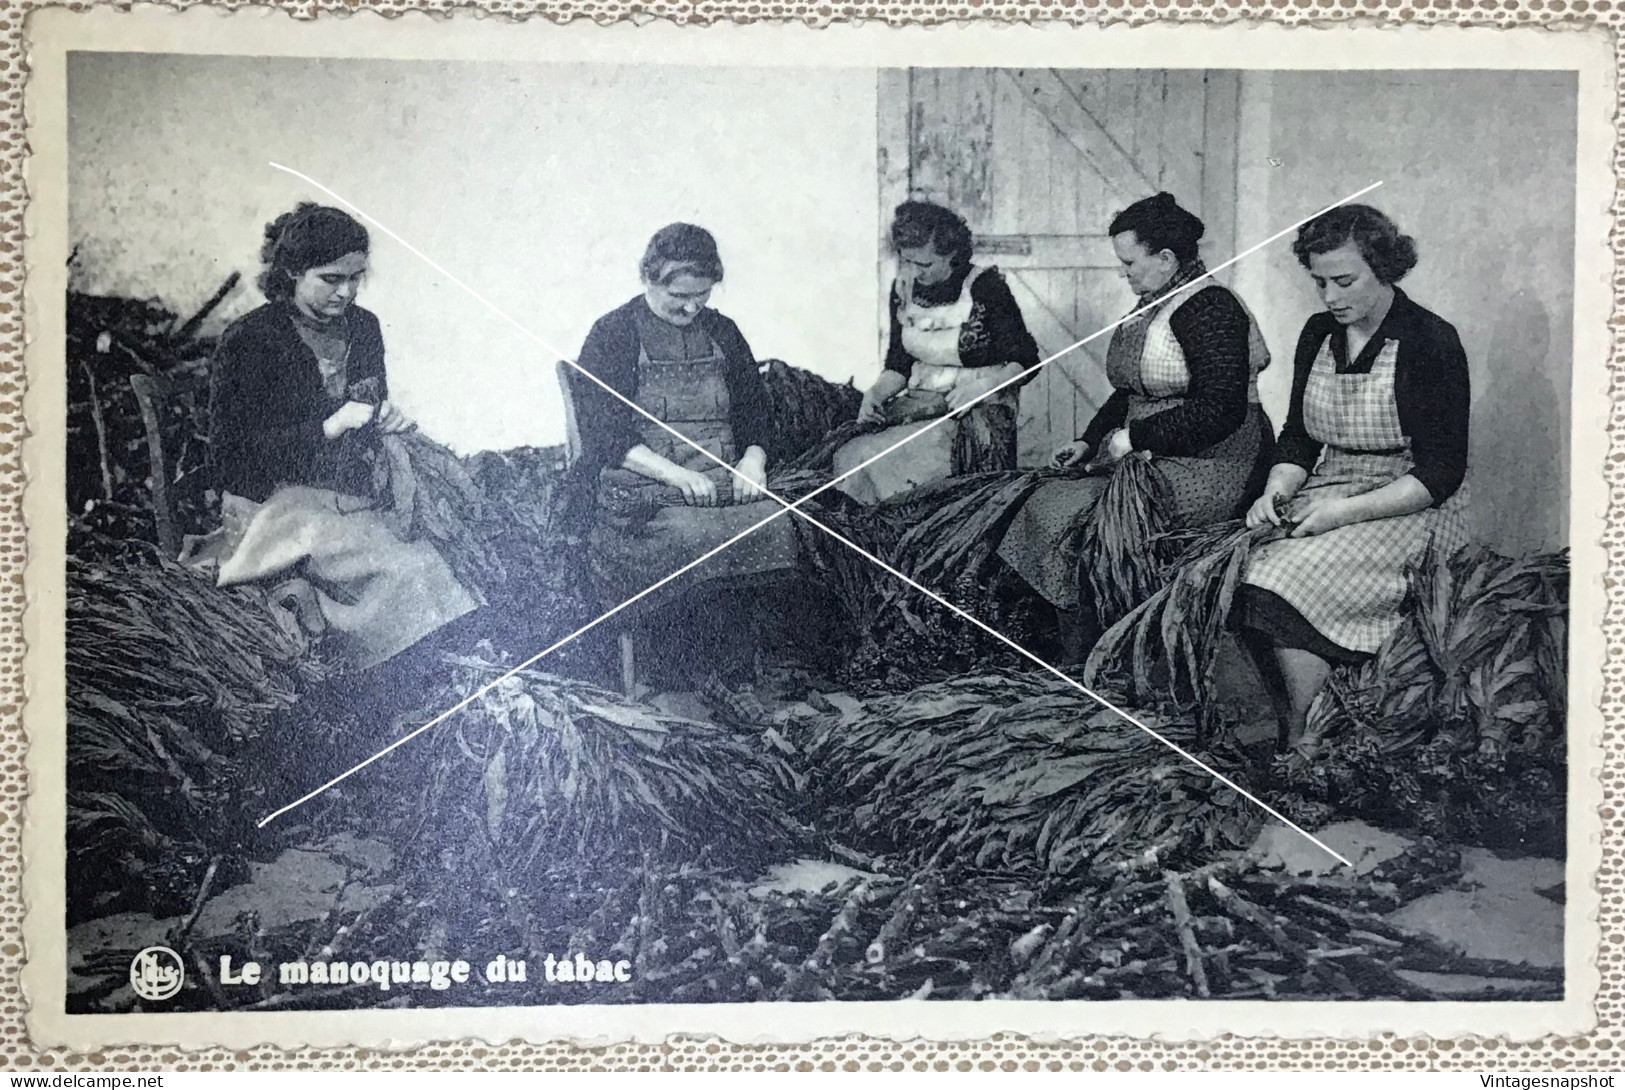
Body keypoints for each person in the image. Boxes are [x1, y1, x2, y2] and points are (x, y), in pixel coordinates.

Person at [207, 203, 482, 680]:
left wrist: (382, 420)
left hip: (338, 499)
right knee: (409, 571)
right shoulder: (249, 341)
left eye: (356, 278)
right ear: (292, 272)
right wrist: (329, 428)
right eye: (331, 278)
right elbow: (232, 459)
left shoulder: (364, 328)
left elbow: (367, 412)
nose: (346, 291)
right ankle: (379, 686)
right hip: (269, 503)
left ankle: (405, 683)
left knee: (433, 558)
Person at [997, 192, 1275, 660]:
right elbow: (1131, 390)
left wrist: (1136, 438)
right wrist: (1088, 441)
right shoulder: (1154, 303)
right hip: (1150, 449)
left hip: (1214, 459)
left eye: (1129, 263)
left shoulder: (1211, 308)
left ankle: (1106, 657)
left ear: (1166, 259)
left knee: (1089, 524)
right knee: (1047, 503)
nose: (1122, 273)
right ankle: (1073, 652)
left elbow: (1220, 410)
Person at [1236, 204, 1471, 754]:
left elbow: (1441, 473)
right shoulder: (1319, 333)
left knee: (1279, 578)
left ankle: (1304, 736)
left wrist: (1342, 514)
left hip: (1409, 503)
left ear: (1384, 268)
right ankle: (1307, 716)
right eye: (1319, 282)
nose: (1329, 297)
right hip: (1331, 486)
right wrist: (1279, 488)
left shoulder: (1430, 340)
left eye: (1344, 281)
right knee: (1240, 566)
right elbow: (1298, 435)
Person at [571, 223, 798, 688]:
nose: (692, 307)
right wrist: (674, 475)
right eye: (680, 295)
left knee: (779, 523)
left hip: (718, 477)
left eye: (703, 294)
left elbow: (755, 411)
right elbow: (604, 434)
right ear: (650, 278)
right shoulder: (612, 334)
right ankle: (686, 672)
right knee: (691, 533)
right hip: (643, 484)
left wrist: (752, 461)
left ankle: (741, 670)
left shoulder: (723, 332)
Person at [833, 200, 1040, 504]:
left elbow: (1028, 360)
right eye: (907, 262)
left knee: (871, 458)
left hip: (975, 414)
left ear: (951, 254)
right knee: (847, 454)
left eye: (925, 264)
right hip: (921, 406)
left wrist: (981, 389)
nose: (915, 273)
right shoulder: (903, 289)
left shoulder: (986, 287)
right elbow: (899, 366)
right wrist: (875, 393)